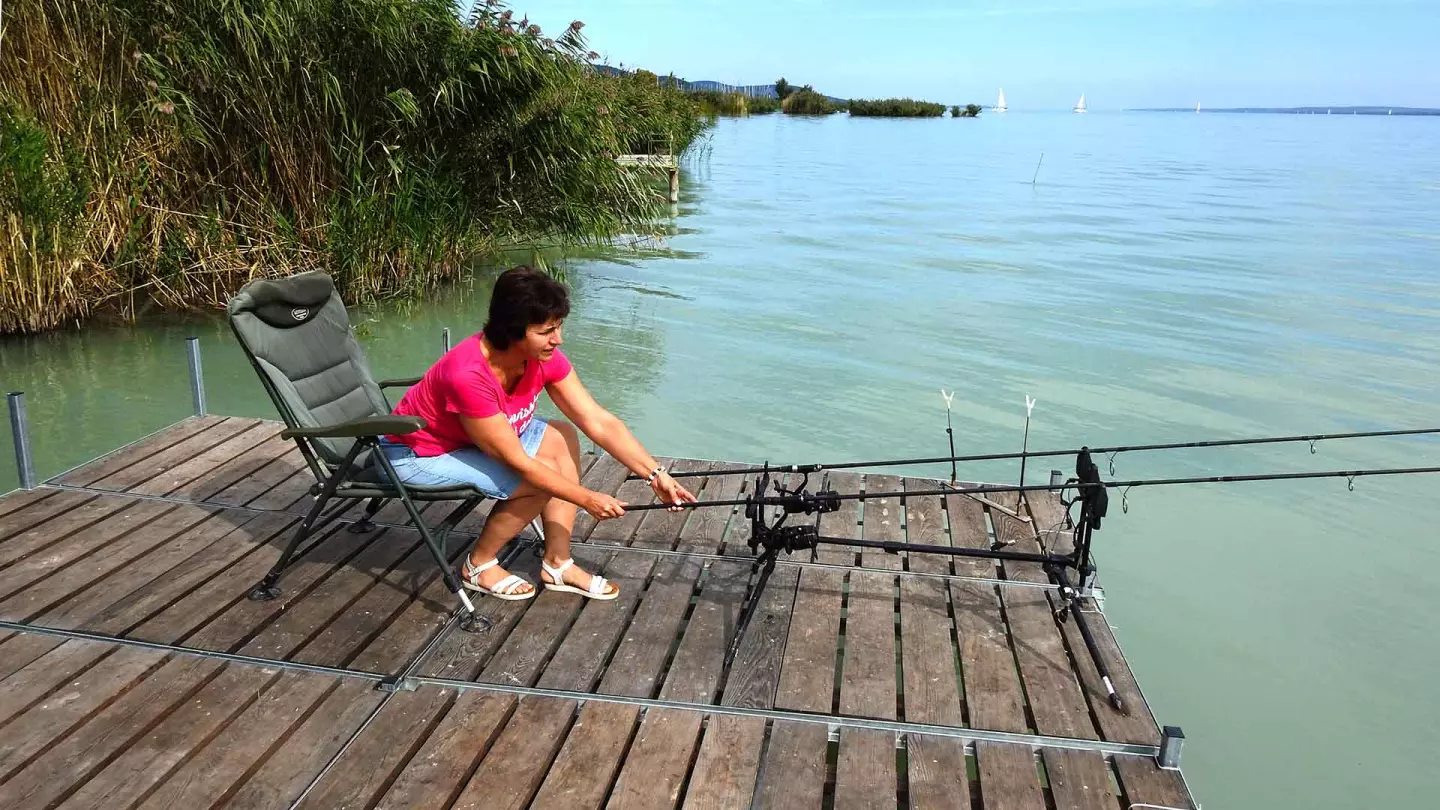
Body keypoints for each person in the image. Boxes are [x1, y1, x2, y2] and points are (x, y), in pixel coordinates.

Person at [379, 266, 696, 600]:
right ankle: (479, 564)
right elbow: (519, 463)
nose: (558, 339)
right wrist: (588, 499)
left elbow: (596, 419)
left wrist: (655, 474)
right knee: (535, 482)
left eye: (558, 328)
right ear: (513, 330)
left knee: (562, 434)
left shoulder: (542, 357)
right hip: (418, 454)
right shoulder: (469, 375)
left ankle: (558, 562)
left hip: (470, 440)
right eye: (547, 331)